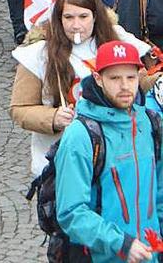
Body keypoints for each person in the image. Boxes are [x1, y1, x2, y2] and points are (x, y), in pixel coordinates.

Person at [10, 0, 150, 177]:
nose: (76, 25)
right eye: (68, 17)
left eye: (83, 17)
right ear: (59, 19)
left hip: (115, 157)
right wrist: (53, 118)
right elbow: (20, 108)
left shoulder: (117, 40)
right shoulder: (38, 54)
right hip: (62, 160)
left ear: (95, 16)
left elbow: (141, 80)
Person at [55, 39, 163, 263]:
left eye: (131, 77)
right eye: (115, 78)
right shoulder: (80, 136)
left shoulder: (151, 123)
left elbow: (160, 190)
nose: (125, 86)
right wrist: (122, 244)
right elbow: (71, 212)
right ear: (98, 79)